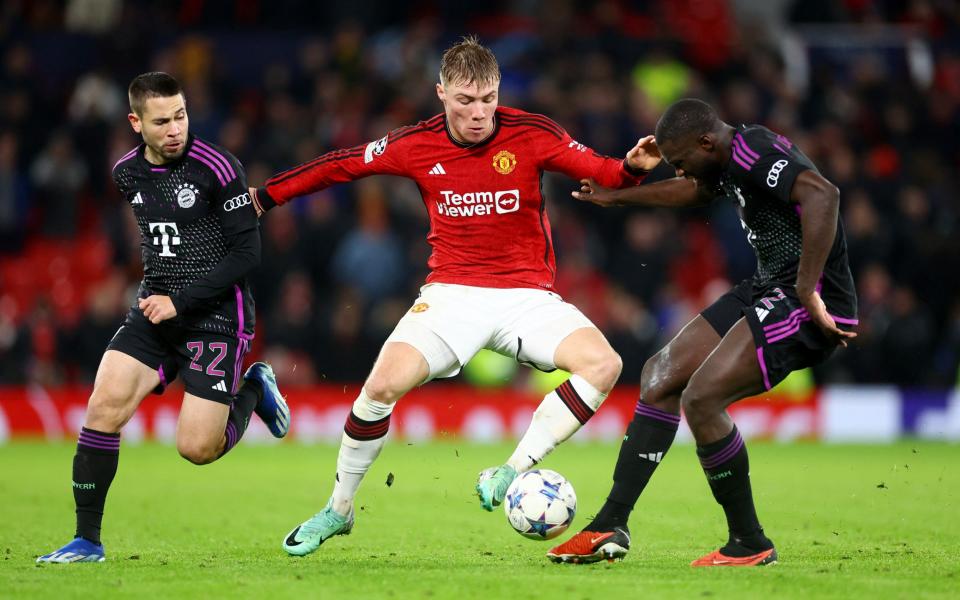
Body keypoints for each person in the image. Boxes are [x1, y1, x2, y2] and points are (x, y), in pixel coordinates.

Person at [249, 36, 661, 557]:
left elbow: (602, 171)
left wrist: (632, 168)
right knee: (379, 387)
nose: (478, 112)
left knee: (604, 364)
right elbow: (343, 163)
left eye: (487, 98)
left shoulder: (531, 133)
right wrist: (265, 196)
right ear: (441, 93)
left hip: (526, 296)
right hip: (452, 295)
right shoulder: (416, 144)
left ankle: (513, 469)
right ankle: (339, 508)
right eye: (465, 101)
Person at [546, 98, 858, 566]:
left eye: (681, 161)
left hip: (810, 300)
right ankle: (611, 523)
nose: (680, 171)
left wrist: (808, 286)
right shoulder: (724, 161)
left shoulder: (752, 149)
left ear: (706, 141)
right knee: (659, 376)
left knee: (702, 398)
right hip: (768, 286)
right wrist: (618, 197)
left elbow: (823, 194)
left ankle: (749, 542)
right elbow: (694, 191)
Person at [37, 72, 291, 563]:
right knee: (103, 404)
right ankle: (87, 541)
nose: (176, 128)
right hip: (156, 310)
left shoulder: (218, 167)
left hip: (217, 316)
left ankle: (255, 387)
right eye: (162, 121)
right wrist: (160, 295)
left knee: (197, 448)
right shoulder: (126, 174)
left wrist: (183, 298)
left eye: (181, 115)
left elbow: (247, 253)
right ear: (136, 123)